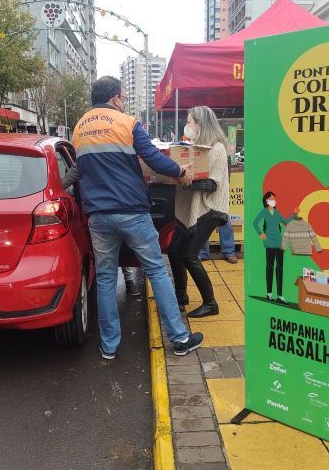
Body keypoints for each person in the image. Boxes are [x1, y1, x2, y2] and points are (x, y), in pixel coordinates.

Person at [71, 76, 202, 359]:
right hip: (131, 211)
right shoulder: (127, 123)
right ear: (116, 97)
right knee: (156, 270)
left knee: (105, 279)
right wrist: (181, 172)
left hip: (98, 217)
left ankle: (109, 347)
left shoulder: (79, 129)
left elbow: (79, 171)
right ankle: (180, 339)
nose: (124, 102)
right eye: (124, 97)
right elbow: (154, 158)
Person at [168, 106, 230, 318]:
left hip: (211, 209)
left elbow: (213, 185)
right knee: (174, 250)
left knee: (189, 254)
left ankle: (210, 303)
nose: (187, 124)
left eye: (190, 121)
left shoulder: (217, 149)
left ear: (201, 124)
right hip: (193, 208)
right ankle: (180, 296)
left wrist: (185, 180)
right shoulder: (193, 147)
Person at [61, 164, 141, 296]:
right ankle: (128, 281)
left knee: (106, 255)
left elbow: (63, 183)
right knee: (116, 248)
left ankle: (124, 281)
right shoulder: (112, 156)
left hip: (95, 214)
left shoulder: (83, 158)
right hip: (105, 212)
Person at [253, 192, 299, 305]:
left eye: (274, 199)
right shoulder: (264, 212)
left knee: (280, 268)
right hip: (269, 242)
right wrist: (260, 234)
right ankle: (269, 294)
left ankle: (280, 296)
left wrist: (294, 214)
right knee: (270, 267)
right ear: (266, 201)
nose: (273, 201)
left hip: (279, 242)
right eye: (271, 199)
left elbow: (286, 222)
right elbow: (255, 223)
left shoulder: (277, 212)